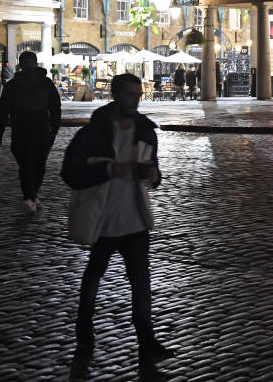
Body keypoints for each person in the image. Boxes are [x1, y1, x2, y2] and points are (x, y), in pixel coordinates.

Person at [61, 73, 173, 363]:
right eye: (129, 95)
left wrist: (154, 175)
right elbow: (70, 174)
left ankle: (147, 341)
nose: (136, 100)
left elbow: (153, 168)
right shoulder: (93, 132)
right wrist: (109, 170)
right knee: (93, 276)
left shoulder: (145, 130)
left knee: (141, 282)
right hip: (104, 220)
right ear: (116, 95)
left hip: (134, 219)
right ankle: (84, 334)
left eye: (139, 94)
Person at [0, 51, 62, 214]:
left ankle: (32, 194)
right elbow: (3, 110)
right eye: (26, 63)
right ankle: (29, 197)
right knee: (26, 165)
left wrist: (54, 129)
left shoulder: (46, 83)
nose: (30, 66)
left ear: (36, 64)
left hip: (42, 129)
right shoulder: (12, 86)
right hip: (21, 129)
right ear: (21, 65)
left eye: (32, 62)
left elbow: (55, 108)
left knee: (40, 166)